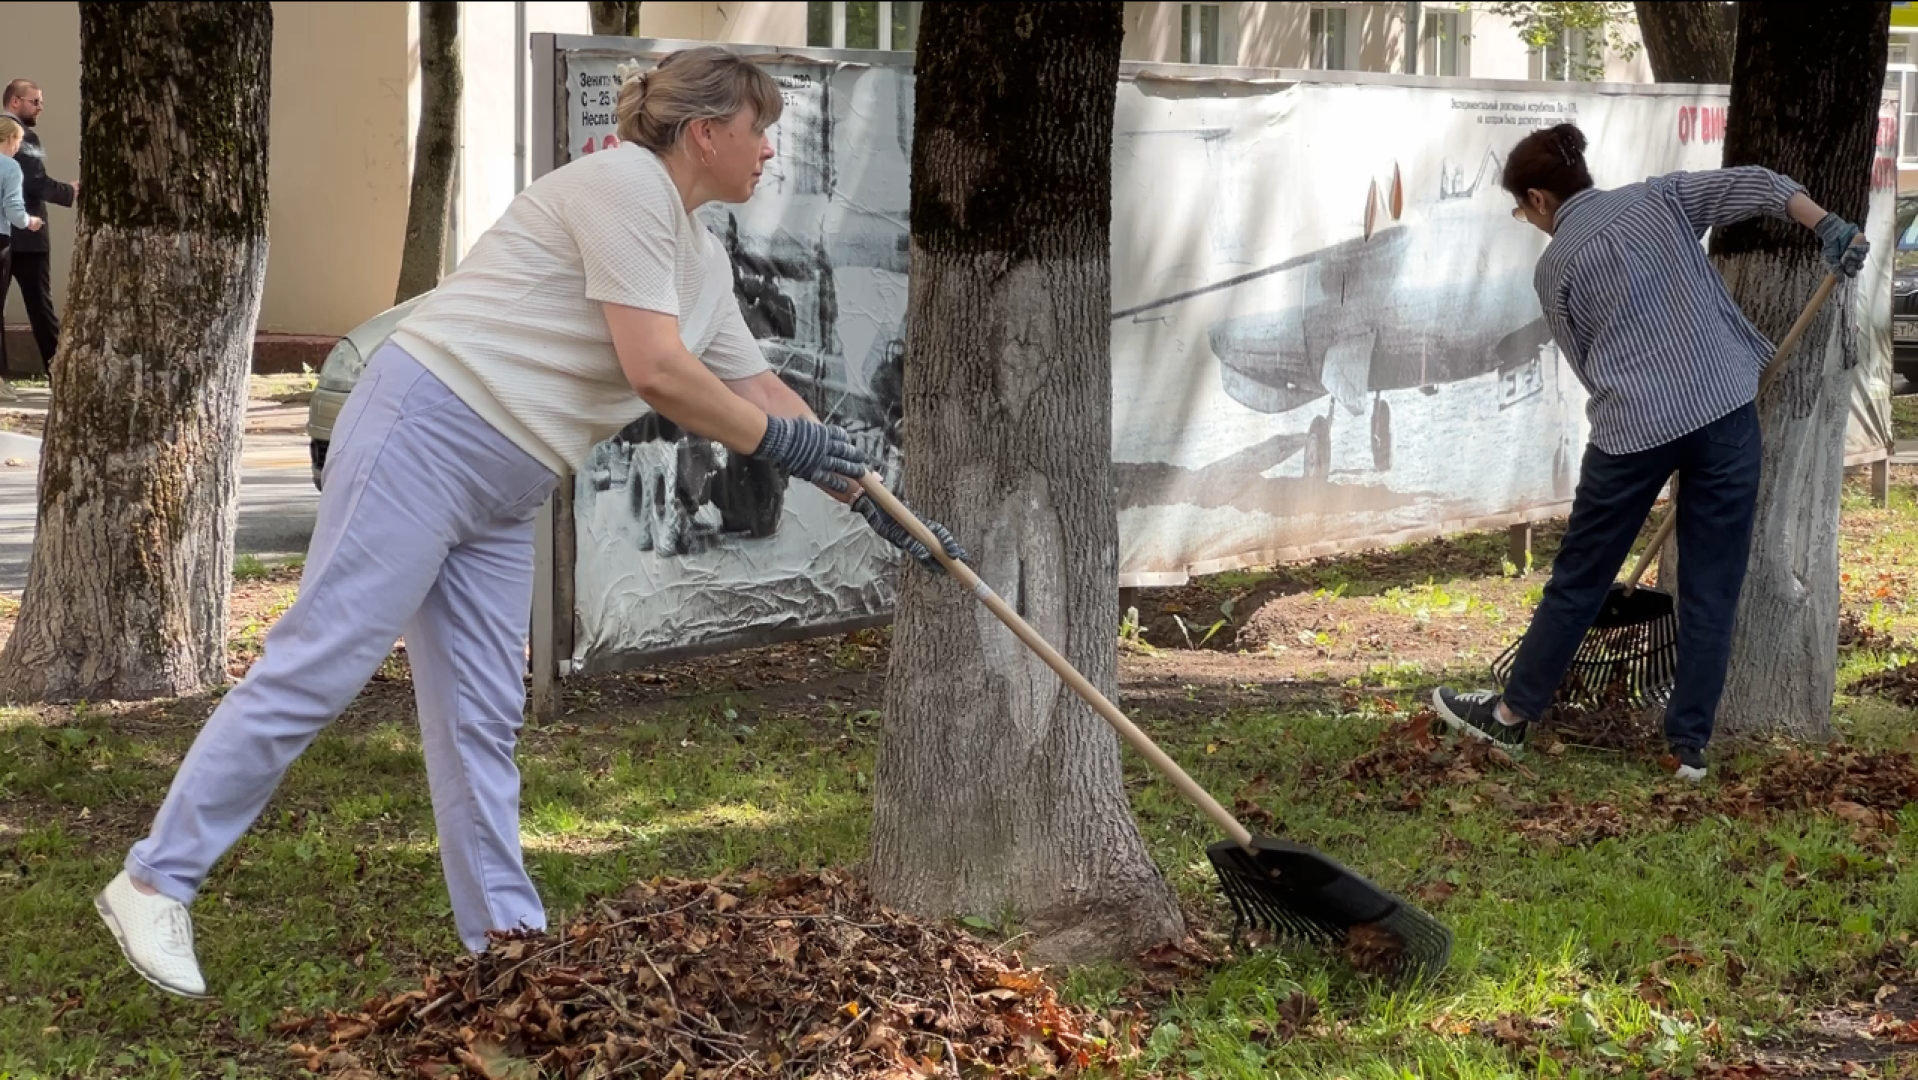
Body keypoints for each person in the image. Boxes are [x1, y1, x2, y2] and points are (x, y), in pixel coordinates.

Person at [94, 45, 969, 1000]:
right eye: (758, 130)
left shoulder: (697, 253)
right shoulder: (623, 184)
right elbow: (661, 374)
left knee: (479, 722)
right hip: (425, 430)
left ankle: (505, 950)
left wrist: (883, 507)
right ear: (706, 130)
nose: (767, 151)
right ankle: (152, 881)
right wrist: (778, 446)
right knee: (321, 659)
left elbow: (756, 385)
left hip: (506, 482)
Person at [1433, 122, 1869, 784]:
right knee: (1711, 585)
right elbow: (1760, 185)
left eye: (1521, 209)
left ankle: (1513, 715)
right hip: (1724, 409)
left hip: (1633, 430)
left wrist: (1642, 399)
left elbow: (1588, 366)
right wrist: (1827, 225)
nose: (1526, 219)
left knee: (1580, 578)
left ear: (1540, 198)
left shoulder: (1557, 268)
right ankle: (1687, 750)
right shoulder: (1656, 200)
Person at [0, 80, 75, 397]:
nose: (40, 107)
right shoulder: (23, 136)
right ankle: (60, 374)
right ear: (15, 101)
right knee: (41, 307)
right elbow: (35, 181)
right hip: (26, 240)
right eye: (35, 101)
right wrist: (71, 191)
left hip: (6, 237)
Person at [0, 116, 45, 257]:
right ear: (10, 138)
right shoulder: (10, 167)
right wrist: (29, 221)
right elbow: (13, 210)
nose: (18, 148)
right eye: (18, 142)